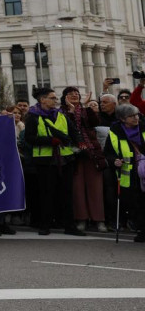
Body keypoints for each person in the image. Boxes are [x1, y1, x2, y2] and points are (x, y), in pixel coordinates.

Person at [23, 88, 84, 236]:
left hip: (65, 159)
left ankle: (70, 226)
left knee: (67, 194)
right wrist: (50, 141)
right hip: (45, 161)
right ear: (42, 100)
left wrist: (80, 143)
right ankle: (45, 225)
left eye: (55, 98)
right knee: (46, 194)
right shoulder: (32, 117)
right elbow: (29, 138)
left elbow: (73, 131)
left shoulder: (61, 115)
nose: (55, 101)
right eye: (52, 98)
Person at [62, 86, 106, 232]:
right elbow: (69, 128)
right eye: (70, 94)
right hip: (73, 154)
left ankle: (99, 220)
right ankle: (81, 219)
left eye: (76, 93)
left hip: (92, 153)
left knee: (95, 188)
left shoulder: (87, 110)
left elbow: (94, 122)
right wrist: (72, 111)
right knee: (78, 189)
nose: (74, 95)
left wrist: (86, 107)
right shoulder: (61, 112)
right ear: (64, 97)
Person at [105, 104, 145, 241]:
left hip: (144, 170)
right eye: (132, 116)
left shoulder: (143, 127)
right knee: (135, 203)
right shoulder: (115, 132)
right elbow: (108, 153)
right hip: (129, 174)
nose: (136, 118)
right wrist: (114, 161)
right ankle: (142, 231)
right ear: (122, 119)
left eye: (137, 115)